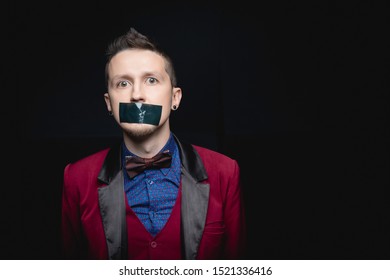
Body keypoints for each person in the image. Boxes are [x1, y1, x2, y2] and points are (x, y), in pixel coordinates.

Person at [61, 27, 246, 260]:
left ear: (175, 97)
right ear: (109, 103)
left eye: (151, 80)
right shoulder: (76, 178)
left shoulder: (225, 173)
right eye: (123, 84)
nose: (137, 95)